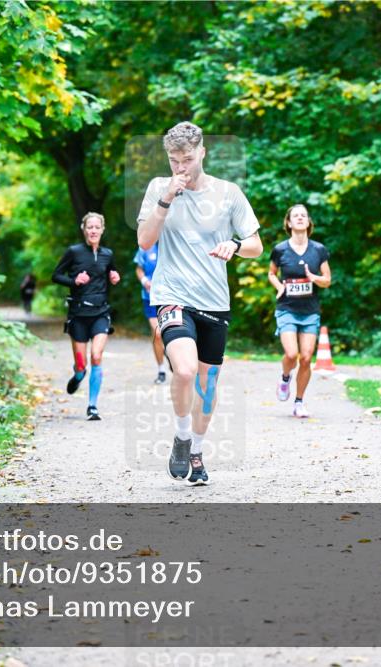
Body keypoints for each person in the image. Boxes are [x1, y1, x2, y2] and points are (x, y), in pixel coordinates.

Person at [136, 121, 262, 486]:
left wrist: (235, 246)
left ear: (202, 153)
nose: (181, 168)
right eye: (174, 160)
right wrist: (166, 200)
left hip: (214, 302)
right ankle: (180, 435)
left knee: (207, 387)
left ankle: (196, 450)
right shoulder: (159, 188)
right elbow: (145, 241)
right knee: (186, 371)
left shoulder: (228, 193)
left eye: (187, 159)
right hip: (172, 295)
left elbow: (256, 244)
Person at [52, 212, 120, 421]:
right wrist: (74, 281)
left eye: (96, 227)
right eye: (89, 227)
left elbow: (112, 272)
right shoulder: (73, 252)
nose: (93, 230)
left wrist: (114, 276)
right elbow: (56, 276)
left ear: (102, 230)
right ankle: (79, 374)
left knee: (97, 356)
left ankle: (92, 407)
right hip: (79, 314)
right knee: (82, 365)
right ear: (84, 230)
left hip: (100, 312)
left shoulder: (107, 253)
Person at [267, 204, 331, 418]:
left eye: (304, 215)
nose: (300, 218)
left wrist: (315, 279)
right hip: (287, 309)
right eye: (296, 215)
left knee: (305, 358)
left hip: (310, 311)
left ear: (308, 222)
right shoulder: (280, 249)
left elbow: (327, 280)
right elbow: (271, 274)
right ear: (289, 222)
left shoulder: (319, 250)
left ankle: (299, 402)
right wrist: (280, 287)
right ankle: (285, 377)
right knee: (291, 354)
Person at [134, 242, 168, 384]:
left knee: (172, 333)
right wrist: (144, 281)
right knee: (157, 333)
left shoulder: (174, 244)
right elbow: (139, 269)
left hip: (171, 298)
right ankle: (161, 370)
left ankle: (173, 357)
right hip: (150, 298)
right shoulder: (146, 246)